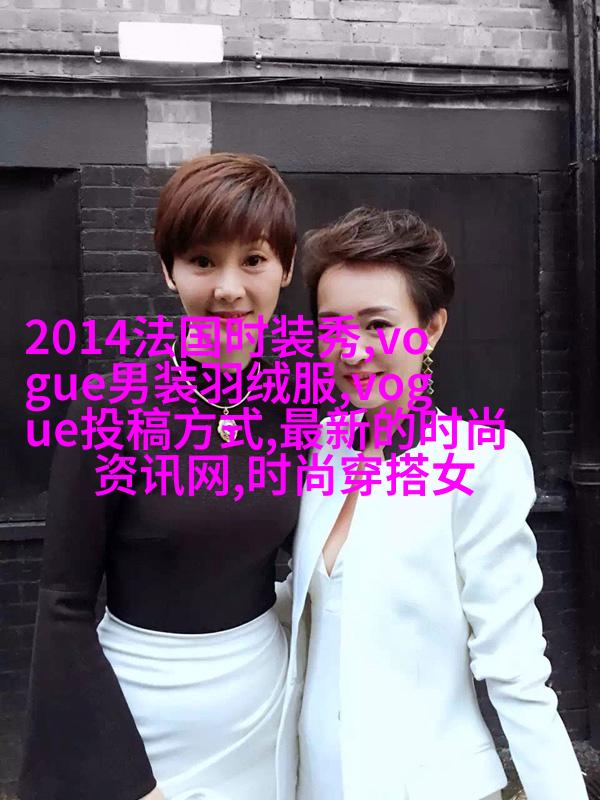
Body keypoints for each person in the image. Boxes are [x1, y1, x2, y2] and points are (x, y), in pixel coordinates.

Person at [274, 207, 588, 800]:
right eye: (332, 325)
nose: (352, 349)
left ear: (432, 328)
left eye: (378, 324)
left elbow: (514, 664)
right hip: (313, 781)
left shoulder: (480, 461)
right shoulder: (325, 446)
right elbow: (316, 606)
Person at [19, 153, 301, 800]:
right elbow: (63, 603)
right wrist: (125, 780)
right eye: (202, 260)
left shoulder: (297, 403)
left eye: (253, 260)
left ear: (285, 267)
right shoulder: (110, 405)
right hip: (142, 711)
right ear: (170, 271)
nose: (228, 288)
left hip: (268, 703)